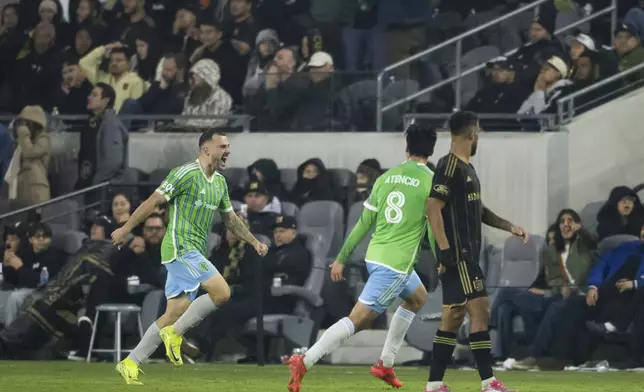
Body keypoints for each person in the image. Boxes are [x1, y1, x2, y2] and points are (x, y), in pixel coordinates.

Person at [286, 123, 438, 392]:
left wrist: (342, 257)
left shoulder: (387, 177)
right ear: (432, 149)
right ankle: (305, 361)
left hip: (376, 255)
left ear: (407, 148)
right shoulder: (431, 181)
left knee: (418, 297)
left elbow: (363, 222)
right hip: (396, 264)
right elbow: (433, 227)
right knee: (358, 319)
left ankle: (385, 364)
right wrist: (440, 258)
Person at [110, 129, 268, 385]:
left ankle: (130, 363)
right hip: (180, 248)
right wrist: (126, 228)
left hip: (194, 251)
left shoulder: (220, 182)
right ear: (206, 149)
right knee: (222, 293)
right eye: (222, 146)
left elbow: (230, 219)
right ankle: (176, 335)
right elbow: (153, 201)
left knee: (174, 312)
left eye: (228, 146)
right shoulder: (184, 173)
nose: (227, 151)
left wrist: (253, 241)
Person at [425, 111, 528, 392]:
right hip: (460, 256)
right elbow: (433, 207)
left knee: (453, 318)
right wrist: (446, 252)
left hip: (462, 256)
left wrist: (509, 225)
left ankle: (434, 384)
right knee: (480, 312)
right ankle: (488, 382)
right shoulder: (449, 166)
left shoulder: (467, 169)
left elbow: (477, 210)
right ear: (471, 135)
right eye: (478, 133)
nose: (478, 138)